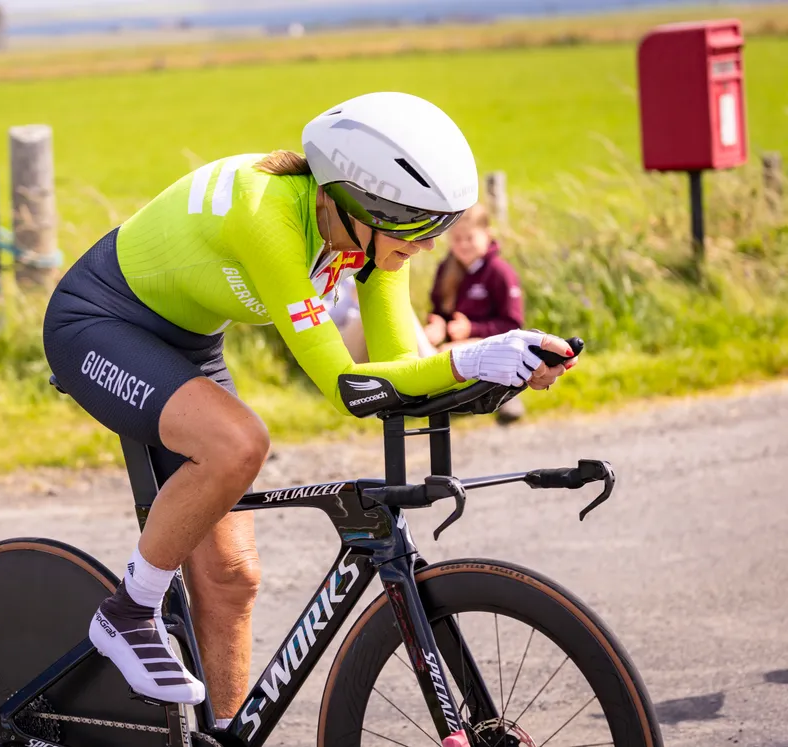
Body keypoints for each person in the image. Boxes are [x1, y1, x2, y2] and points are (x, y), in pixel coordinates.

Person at [42, 92, 577, 731]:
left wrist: (500, 368)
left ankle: (223, 735)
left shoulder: (369, 242)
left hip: (186, 345)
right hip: (98, 324)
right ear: (361, 204)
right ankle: (128, 612)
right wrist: (470, 358)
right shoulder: (267, 214)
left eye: (434, 227)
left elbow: (404, 371)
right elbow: (349, 385)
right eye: (416, 226)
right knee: (238, 444)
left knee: (232, 576)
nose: (428, 244)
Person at [424, 203, 528, 422]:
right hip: (453, 344)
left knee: (446, 355)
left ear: (487, 235)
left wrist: (472, 329)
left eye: (469, 238)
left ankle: (502, 396)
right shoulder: (446, 269)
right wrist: (437, 325)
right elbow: (439, 311)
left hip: (490, 346)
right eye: (456, 239)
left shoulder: (500, 272)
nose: (463, 245)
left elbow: (512, 325)